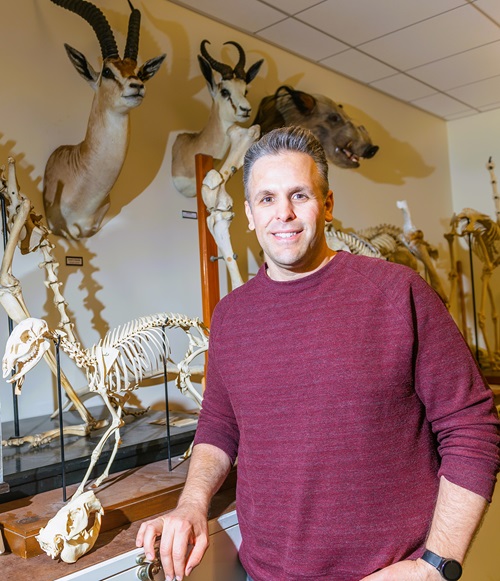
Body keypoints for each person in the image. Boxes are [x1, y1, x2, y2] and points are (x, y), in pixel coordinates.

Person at [136, 126, 500, 581]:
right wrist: (191, 503)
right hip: (264, 574)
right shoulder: (231, 316)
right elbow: (219, 425)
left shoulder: (397, 292)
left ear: (327, 205)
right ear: (249, 214)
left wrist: (435, 565)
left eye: (299, 195)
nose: (283, 214)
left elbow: (471, 429)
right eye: (266, 199)